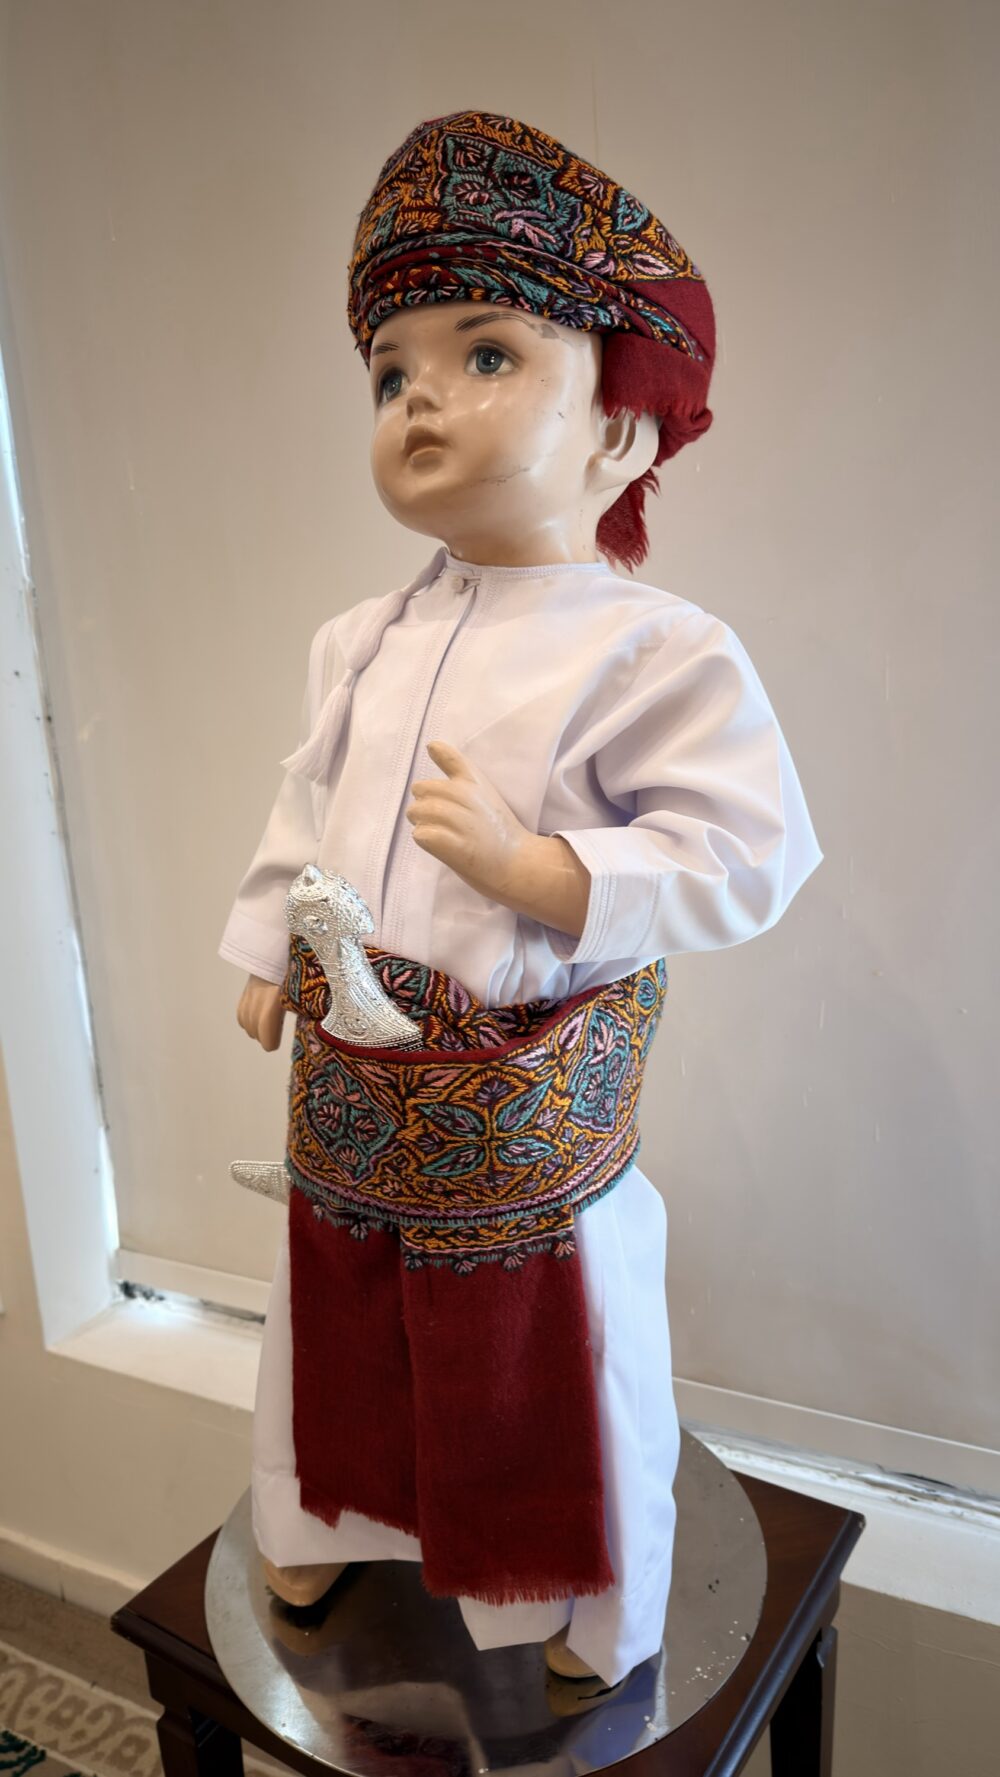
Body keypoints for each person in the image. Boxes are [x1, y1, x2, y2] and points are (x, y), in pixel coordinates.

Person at [218, 110, 823, 1690]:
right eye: (390, 372)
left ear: (620, 427)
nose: (419, 397)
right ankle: (325, 1512)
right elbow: (304, 810)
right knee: (338, 1311)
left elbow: (749, 849)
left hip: (519, 1107)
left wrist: (538, 872)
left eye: (485, 353)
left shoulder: (657, 651)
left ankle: (578, 1595)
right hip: (355, 1084)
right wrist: (269, 948)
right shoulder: (357, 640)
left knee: (540, 1355)